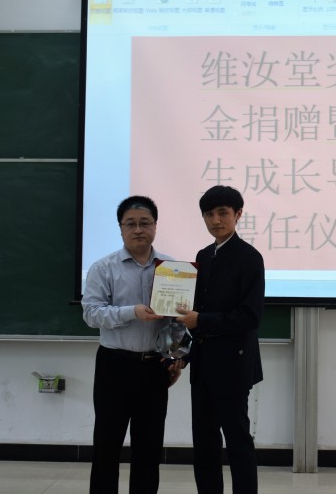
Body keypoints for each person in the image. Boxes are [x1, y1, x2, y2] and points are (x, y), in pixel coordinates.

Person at [82, 195, 184, 494]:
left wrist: (174, 356)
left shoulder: (173, 269)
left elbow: (177, 320)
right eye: (131, 224)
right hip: (114, 365)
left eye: (145, 223)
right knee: (106, 446)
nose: (138, 229)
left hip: (154, 368)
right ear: (121, 228)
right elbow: (91, 314)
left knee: (149, 450)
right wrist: (132, 312)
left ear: (155, 226)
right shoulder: (103, 268)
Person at [176, 185, 264, 494]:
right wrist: (182, 352)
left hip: (233, 366)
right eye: (209, 214)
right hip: (202, 366)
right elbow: (194, 311)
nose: (216, 220)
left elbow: (250, 316)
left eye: (223, 213)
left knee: (238, 442)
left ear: (238, 214)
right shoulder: (203, 257)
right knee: (204, 444)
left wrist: (201, 320)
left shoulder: (249, 258)